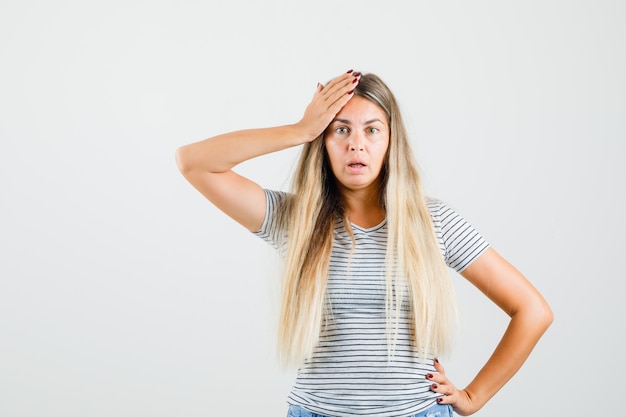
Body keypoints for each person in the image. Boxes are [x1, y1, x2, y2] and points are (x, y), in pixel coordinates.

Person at [175, 70, 553, 417]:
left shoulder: (432, 221)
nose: (357, 145)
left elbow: (532, 310)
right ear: (322, 141)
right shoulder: (295, 220)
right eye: (340, 130)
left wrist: (474, 397)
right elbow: (194, 161)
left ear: (391, 141)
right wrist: (300, 129)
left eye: (372, 130)